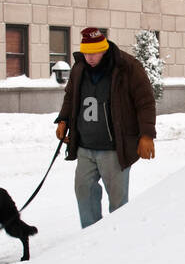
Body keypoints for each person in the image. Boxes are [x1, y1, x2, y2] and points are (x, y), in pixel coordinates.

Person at [54, 28, 157, 228]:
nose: (90, 58)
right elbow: (71, 96)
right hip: (85, 145)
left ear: (104, 49)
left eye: (94, 53)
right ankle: (90, 234)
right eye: (86, 53)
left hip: (114, 149)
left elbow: (145, 102)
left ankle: (117, 238)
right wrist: (63, 120)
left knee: (118, 202)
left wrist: (147, 135)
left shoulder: (127, 67)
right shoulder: (79, 68)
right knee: (83, 190)